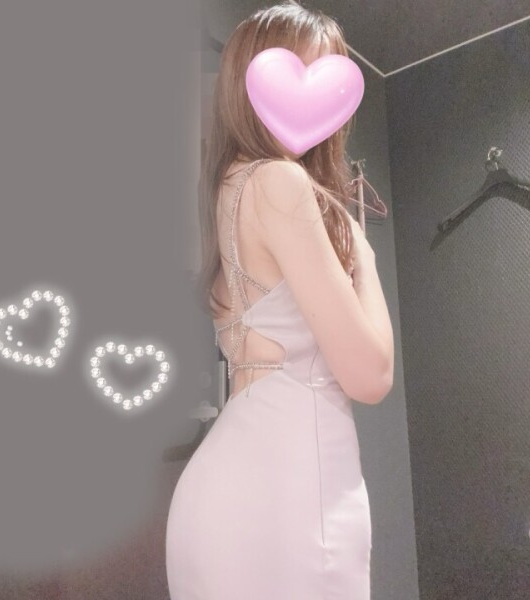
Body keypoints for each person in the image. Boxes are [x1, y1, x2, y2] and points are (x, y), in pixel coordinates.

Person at [166, 1, 394, 598]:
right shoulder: (280, 181)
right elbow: (371, 375)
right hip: (288, 490)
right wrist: (364, 259)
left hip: (222, 489)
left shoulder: (224, 195)